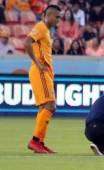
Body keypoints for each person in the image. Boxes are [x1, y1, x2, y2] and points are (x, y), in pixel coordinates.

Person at [24, 5, 61, 154]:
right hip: (40, 72)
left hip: (44, 73)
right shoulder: (40, 27)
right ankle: (35, 141)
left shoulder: (45, 31)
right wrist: (38, 63)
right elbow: (27, 42)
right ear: (48, 15)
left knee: (45, 107)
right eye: (56, 17)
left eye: (59, 17)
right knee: (50, 106)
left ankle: (39, 142)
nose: (58, 20)